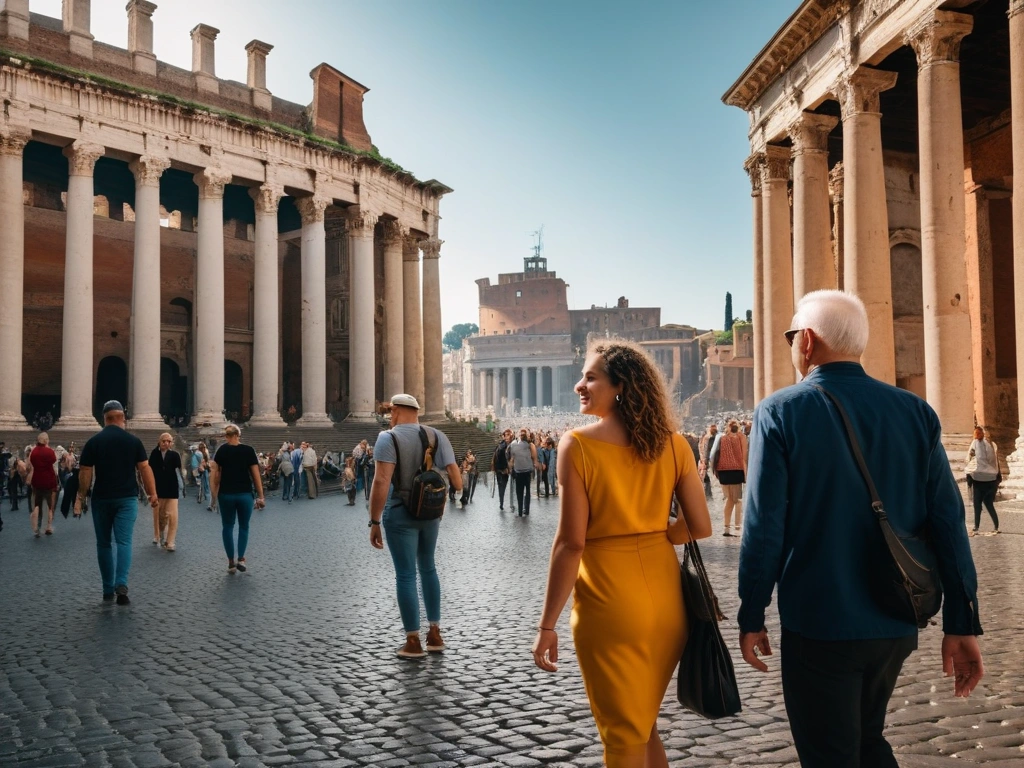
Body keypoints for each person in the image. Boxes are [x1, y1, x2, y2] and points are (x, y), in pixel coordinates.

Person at [738, 290, 984, 768]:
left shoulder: (780, 411)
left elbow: (764, 527)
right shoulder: (916, 412)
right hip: (895, 619)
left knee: (831, 754)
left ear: (806, 342)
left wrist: (752, 612)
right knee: (868, 743)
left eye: (792, 336)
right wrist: (961, 623)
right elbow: (949, 525)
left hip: (820, 623)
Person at [532, 340, 712, 767]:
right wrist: (661, 534)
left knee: (622, 736)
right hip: (669, 605)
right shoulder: (673, 444)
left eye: (590, 376)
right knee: (641, 724)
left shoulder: (576, 445)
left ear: (621, 387)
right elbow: (700, 526)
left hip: (609, 605)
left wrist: (547, 624)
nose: (579, 384)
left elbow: (571, 543)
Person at [368, 393, 462, 659]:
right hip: (430, 514)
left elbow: (381, 481)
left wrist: (374, 521)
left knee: (406, 575)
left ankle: (412, 641)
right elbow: (456, 480)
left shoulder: (388, 438)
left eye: (391, 413)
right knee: (429, 568)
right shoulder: (436, 436)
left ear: (396, 411)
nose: (390, 417)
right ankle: (435, 633)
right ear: (417, 412)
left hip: (400, 512)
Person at [76, 401, 157, 605]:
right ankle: (121, 584)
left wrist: (80, 498)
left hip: (101, 498)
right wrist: (152, 494)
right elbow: (145, 469)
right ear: (123, 418)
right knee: (124, 541)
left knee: (103, 544)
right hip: (126, 498)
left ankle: (106, 589)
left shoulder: (94, 441)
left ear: (105, 419)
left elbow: (85, 473)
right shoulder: (133, 441)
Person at [209, 424, 265, 574]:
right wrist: (261, 496)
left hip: (226, 494)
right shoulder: (248, 450)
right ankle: (241, 558)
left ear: (226, 436)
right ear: (238, 435)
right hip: (244, 494)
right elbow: (255, 475)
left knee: (227, 527)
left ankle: (231, 562)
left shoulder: (221, 450)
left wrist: (214, 497)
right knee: (244, 526)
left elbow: (215, 476)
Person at [709, 419, 747, 536]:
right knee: (737, 500)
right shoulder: (741, 437)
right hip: (736, 470)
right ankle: (737, 526)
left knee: (728, 499)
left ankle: (726, 527)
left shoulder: (721, 437)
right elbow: (744, 456)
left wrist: (714, 470)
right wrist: (746, 474)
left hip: (723, 471)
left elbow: (713, 454)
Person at [148, 433, 182, 552]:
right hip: (158, 489)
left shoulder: (174, 455)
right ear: (159, 442)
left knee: (173, 516)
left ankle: (170, 542)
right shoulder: (154, 454)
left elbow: (179, 471)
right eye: (164, 441)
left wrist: (182, 488)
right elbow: (149, 472)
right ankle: (160, 534)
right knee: (160, 516)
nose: (166, 443)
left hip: (172, 489)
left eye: (168, 441)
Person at [966, 426, 1000, 536]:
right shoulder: (979, 444)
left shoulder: (983, 444)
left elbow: (970, 459)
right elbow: (971, 459)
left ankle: (990, 526)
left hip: (985, 479)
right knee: (982, 504)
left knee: (983, 503)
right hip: (983, 478)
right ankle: (980, 527)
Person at [27, 432, 58, 537]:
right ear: (46, 440)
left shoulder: (34, 452)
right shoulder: (49, 451)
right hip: (49, 481)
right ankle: (48, 527)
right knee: (50, 505)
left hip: (37, 480)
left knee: (37, 504)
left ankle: (36, 528)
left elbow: (31, 462)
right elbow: (53, 460)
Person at [509, 428, 540, 517]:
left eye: (523, 434)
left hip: (526, 471)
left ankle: (525, 509)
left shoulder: (530, 445)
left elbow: (534, 457)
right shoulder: (515, 445)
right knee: (520, 491)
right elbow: (512, 457)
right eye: (521, 434)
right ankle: (520, 510)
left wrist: (535, 464)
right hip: (519, 471)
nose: (522, 436)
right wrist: (511, 467)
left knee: (525, 491)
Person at [492, 429, 513, 511]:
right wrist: (506, 468)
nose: (507, 437)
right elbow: (501, 457)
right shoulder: (502, 446)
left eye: (509, 435)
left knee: (502, 487)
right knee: (502, 487)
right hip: (502, 469)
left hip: (502, 469)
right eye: (506, 435)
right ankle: (501, 503)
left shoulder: (505, 445)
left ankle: (501, 502)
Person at [697, 423, 717, 500]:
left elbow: (704, 450)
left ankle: (708, 495)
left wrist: (704, 460)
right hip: (711, 461)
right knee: (708, 478)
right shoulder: (713, 438)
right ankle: (708, 495)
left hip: (708, 461)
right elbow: (704, 450)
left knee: (707, 478)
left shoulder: (706, 438)